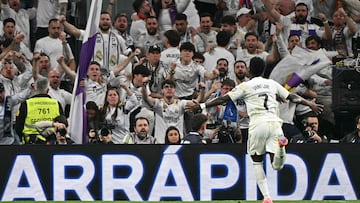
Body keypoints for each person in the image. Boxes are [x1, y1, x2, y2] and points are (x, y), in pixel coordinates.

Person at [188, 57, 323, 202]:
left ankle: (267, 197)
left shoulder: (246, 86)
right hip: (275, 124)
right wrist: (310, 104)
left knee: (257, 161)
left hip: (257, 124)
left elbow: (223, 99)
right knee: (277, 166)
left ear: (248, 70)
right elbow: (292, 97)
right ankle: (282, 148)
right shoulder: (271, 84)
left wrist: (201, 106)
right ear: (264, 70)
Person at [142, 79, 204, 143]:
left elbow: (196, 102)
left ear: (175, 90)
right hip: (160, 142)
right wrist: (144, 86)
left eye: (171, 87)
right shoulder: (158, 104)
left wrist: (202, 90)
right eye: (166, 87)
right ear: (162, 90)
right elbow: (145, 98)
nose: (169, 89)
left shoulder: (181, 104)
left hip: (178, 142)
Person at [15, 76, 64, 144]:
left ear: (35, 89)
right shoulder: (56, 104)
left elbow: (18, 127)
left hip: (30, 143)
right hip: (52, 143)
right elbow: (62, 124)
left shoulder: (26, 104)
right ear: (47, 90)